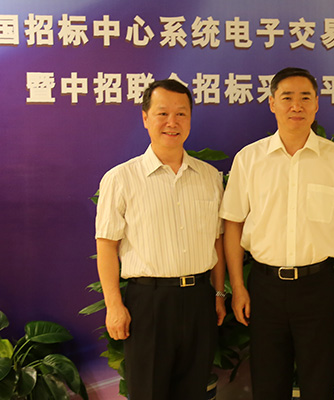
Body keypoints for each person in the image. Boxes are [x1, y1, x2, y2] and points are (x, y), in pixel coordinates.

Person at [220, 67, 334, 400]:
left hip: (316, 287)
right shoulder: (249, 159)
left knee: (319, 383)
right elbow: (232, 225)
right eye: (287, 97)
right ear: (272, 103)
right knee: (268, 383)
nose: (296, 106)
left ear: (316, 104)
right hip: (265, 288)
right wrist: (239, 287)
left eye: (305, 97)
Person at [94, 79, 227, 400]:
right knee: (149, 392)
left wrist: (218, 293)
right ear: (145, 117)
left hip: (199, 300)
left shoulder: (210, 177)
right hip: (148, 303)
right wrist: (114, 305)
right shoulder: (121, 178)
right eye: (162, 113)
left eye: (181, 114)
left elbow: (218, 241)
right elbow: (107, 245)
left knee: (194, 390)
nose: (172, 122)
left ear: (190, 119)